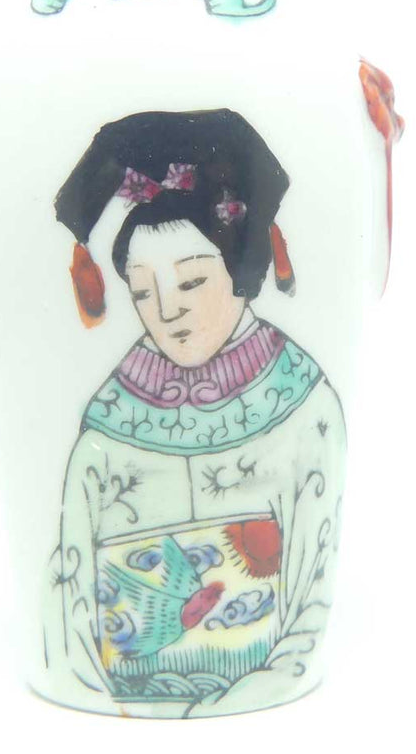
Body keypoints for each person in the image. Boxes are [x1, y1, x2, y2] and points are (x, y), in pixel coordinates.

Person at [44, 109, 346, 718]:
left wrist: (265, 686)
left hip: (270, 700)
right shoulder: (111, 421)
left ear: (240, 270)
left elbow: (312, 586)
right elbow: (70, 585)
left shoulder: (302, 405)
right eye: (142, 291)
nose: (166, 312)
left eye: (190, 284)